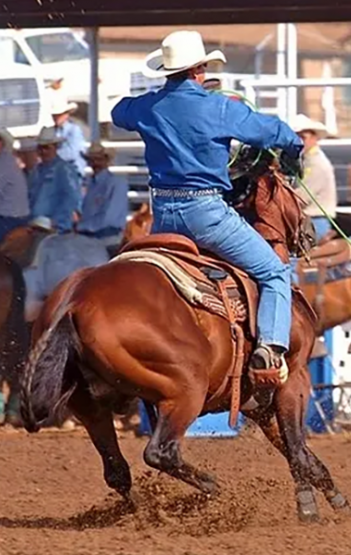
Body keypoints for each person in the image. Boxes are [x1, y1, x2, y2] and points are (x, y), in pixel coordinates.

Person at [111, 30, 305, 377]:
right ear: (198, 70)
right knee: (275, 273)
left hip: (164, 217)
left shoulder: (148, 108)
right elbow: (270, 131)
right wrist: (293, 146)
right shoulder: (219, 107)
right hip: (207, 214)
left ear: (167, 71)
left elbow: (118, 112)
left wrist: (150, 105)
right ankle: (269, 348)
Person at [0, 126, 30, 250]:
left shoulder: (0, 164)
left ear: (1, 143)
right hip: (11, 217)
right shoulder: (4, 161)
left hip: (6, 220)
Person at [290, 114, 337, 242]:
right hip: (308, 220)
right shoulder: (306, 161)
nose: (299, 142)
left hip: (314, 222)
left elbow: (301, 198)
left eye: (302, 138)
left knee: (293, 260)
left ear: (314, 138)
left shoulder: (317, 164)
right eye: (296, 138)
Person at [27, 127, 81, 234]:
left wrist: (57, 220)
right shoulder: (36, 170)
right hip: (36, 224)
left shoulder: (64, 169)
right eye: (40, 148)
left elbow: (71, 198)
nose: (43, 151)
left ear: (55, 148)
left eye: (47, 148)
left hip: (56, 227)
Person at [76, 143, 130, 248]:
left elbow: (109, 218)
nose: (95, 163)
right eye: (92, 160)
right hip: (90, 239)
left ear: (106, 161)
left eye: (99, 159)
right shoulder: (90, 183)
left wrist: (80, 227)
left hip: (109, 239)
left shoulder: (117, 183)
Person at [49, 92, 87, 179]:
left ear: (66, 114)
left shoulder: (74, 130)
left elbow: (72, 153)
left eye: (59, 115)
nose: (56, 117)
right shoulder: (55, 131)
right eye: (54, 115)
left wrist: (51, 155)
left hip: (74, 173)